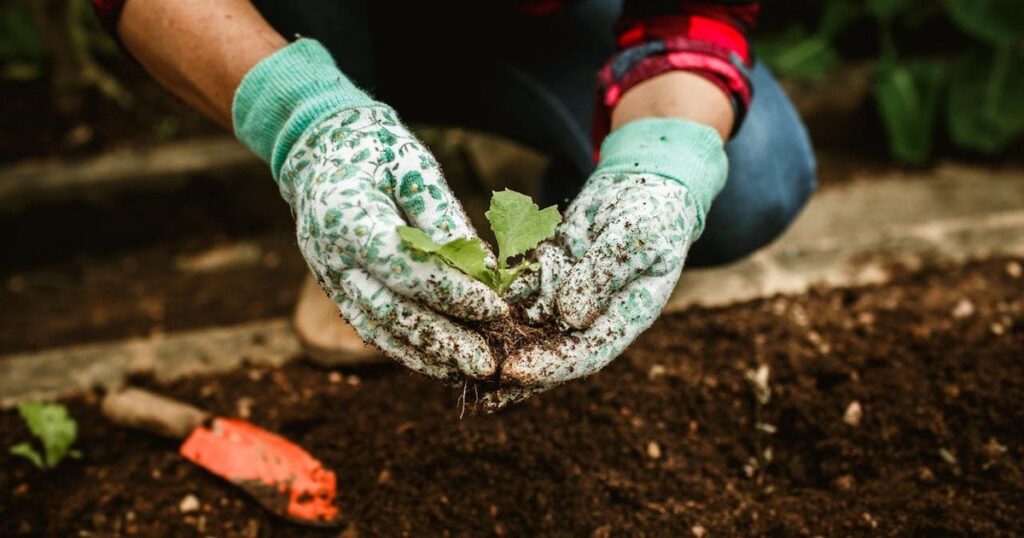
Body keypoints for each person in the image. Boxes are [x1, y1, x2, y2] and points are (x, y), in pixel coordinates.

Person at [91, 0, 815, 403]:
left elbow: (693, 11)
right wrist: (304, 123)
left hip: (533, 21)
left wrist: (663, 166)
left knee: (748, 181)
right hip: (297, 15)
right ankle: (353, 212)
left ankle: (555, 253)